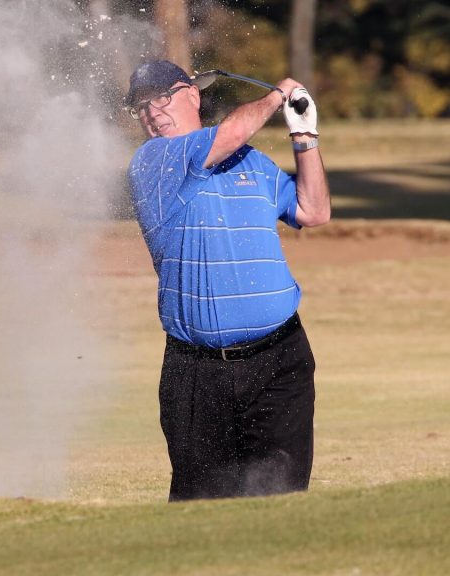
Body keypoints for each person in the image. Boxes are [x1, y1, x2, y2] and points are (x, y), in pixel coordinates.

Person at [125, 60, 332, 501]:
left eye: (162, 96)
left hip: (280, 361)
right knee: (201, 509)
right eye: (141, 105)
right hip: (198, 374)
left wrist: (305, 139)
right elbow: (232, 133)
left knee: (281, 500)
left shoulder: (251, 164)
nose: (151, 111)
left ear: (193, 95)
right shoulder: (154, 163)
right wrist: (278, 96)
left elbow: (314, 211)